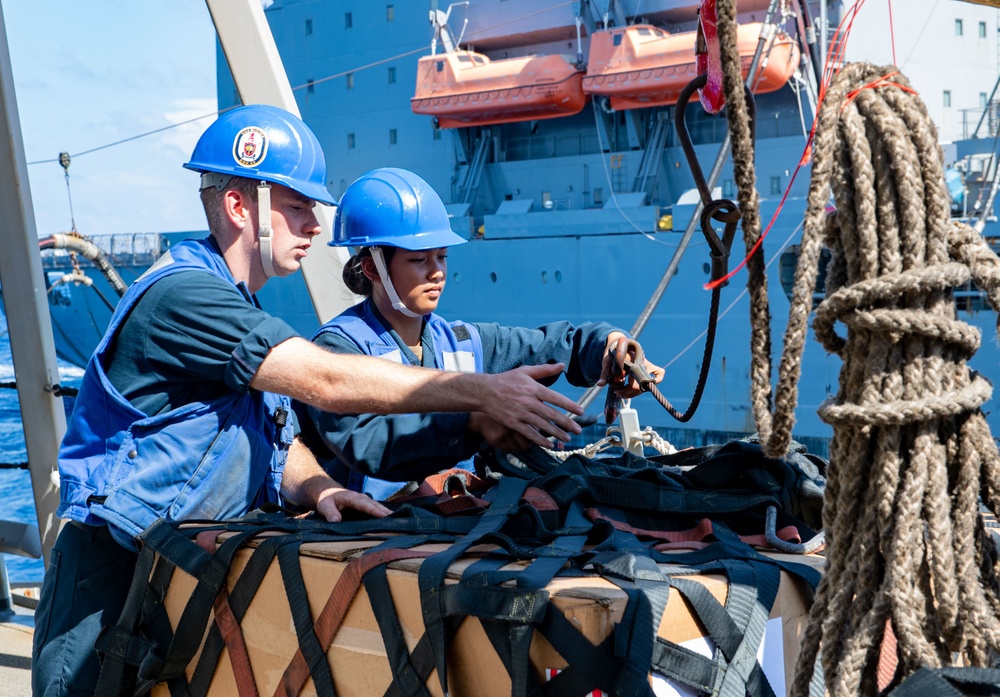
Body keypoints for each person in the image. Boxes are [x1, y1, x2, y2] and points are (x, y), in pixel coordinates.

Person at [31, 106, 586, 697]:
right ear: (241, 208)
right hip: (108, 581)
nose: (316, 226)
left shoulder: (231, 299)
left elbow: (262, 432)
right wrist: (483, 394)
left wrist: (318, 487)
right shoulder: (185, 296)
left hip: (177, 571)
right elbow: (327, 382)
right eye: (298, 207)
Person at [296, 167, 664, 499]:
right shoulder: (339, 349)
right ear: (372, 269)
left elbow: (557, 345)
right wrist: (475, 422)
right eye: (419, 260)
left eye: (441, 257)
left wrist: (610, 348)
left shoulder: (462, 341)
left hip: (446, 524)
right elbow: (367, 444)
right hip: (362, 536)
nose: (436, 272)